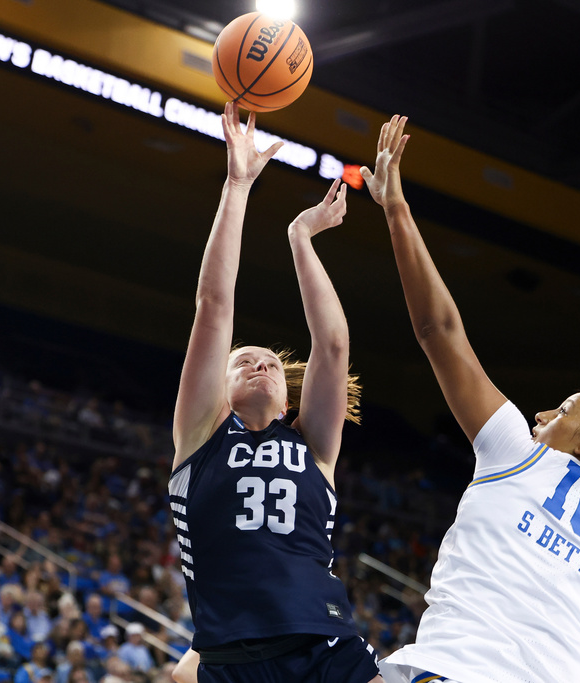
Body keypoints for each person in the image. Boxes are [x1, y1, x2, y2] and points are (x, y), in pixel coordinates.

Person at [362, 114, 580, 682]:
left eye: (564, 409)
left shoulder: (516, 451)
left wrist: (396, 208)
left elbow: (439, 331)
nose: (542, 414)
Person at [168, 102, 381, 683]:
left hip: (326, 645)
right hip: (229, 658)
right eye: (243, 361)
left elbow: (332, 344)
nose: (260, 362)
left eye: (268, 362)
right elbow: (214, 306)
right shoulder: (199, 437)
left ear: (288, 401)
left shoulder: (314, 447)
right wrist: (238, 185)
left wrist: (301, 238)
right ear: (221, 388)